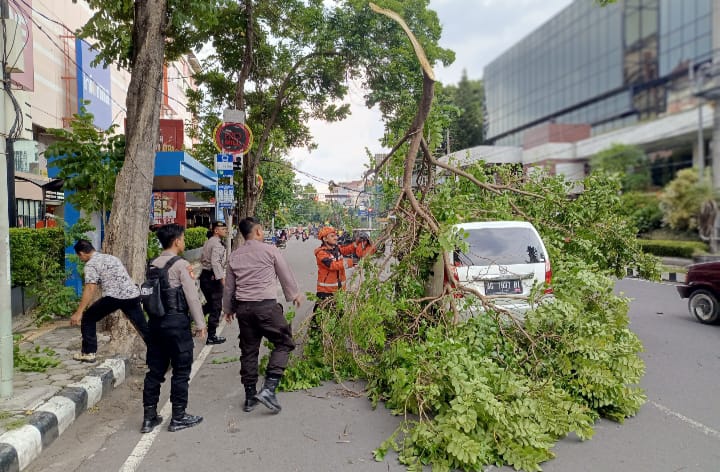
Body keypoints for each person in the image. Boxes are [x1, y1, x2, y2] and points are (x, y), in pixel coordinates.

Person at [223, 217, 304, 414]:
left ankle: (250, 397)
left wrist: (228, 309)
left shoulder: (234, 256)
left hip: (244, 310)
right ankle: (269, 388)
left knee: (249, 351)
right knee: (284, 343)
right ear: (258, 231)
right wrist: (294, 294)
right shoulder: (270, 250)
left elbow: (229, 288)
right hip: (266, 308)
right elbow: (285, 274)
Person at [141, 223, 207, 434]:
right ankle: (178, 416)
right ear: (177, 241)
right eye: (183, 238)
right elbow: (192, 297)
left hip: (155, 325)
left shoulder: (152, 265)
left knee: (155, 371)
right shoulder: (180, 265)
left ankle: (149, 417)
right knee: (181, 370)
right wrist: (201, 324)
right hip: (176, 324)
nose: (184, 241)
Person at [70, 240, 149, 363]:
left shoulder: (91, 264)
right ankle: (161, 354)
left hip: (114, 297)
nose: (80, 259)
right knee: (142, 327)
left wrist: (79, 312)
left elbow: (90, 287)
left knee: (88, 318)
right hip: (132, 295)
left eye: (79, 256)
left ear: (82, 253)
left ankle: (88, 353)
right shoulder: (111, 258)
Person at [199, 221, 228, 345]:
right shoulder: (216, 244)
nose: (226, 231)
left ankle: (191, 319)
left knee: (210, 305)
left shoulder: (209, 241)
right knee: (216, 307)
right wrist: (222, 279)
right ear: (216, 230)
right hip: (212, 278)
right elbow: (215, 263)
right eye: (223, 229)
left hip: (205, 276)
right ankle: (211, 336)